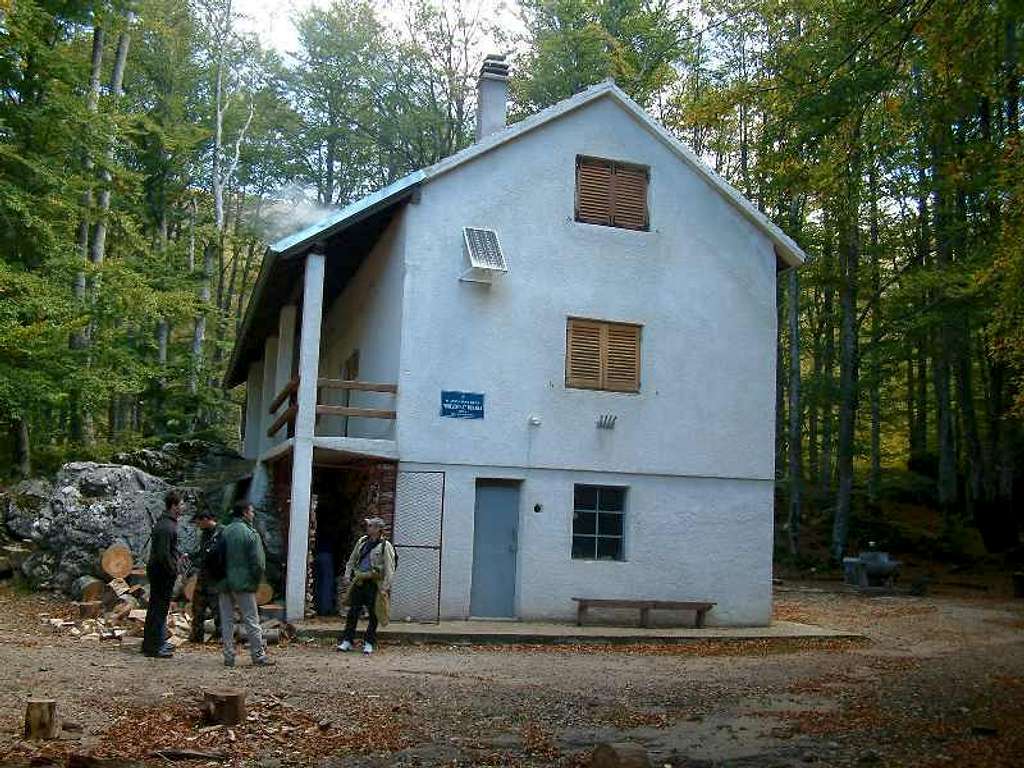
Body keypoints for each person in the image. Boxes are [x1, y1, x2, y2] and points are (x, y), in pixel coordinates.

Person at [218, 500, 274, 667]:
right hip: (244, 584)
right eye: (251, 511)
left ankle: (228, 656)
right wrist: (255, 581)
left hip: (224, 583)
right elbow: (259, 563)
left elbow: (216, 559)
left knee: (226, 620)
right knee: (251, 619)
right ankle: (258, 655)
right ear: (244, 513)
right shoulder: (251, 534)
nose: (253, 514)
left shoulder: (224, 532)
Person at [336, 516, 396, 656]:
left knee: (374, 614)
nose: (368, 528)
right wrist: (347, 574)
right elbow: (352, 559)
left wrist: (385, 587)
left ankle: (369, 642)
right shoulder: (362, 542)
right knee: (353, 612)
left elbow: (389, 567)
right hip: (359, 580)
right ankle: (347, 640)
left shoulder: (385, 546)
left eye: (371, 526)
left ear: (377, 529)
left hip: (374, 583)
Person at [142, 491, 184, 659]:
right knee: (158, 609)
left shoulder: (165, 523)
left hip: (159, 571)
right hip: (162, 573)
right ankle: (154, 647)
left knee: (156, 608)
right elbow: (162, 554)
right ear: (174, 506)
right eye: (181, 504)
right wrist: (173, 569)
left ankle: (154, 642)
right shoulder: (167, 526)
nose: (183, 507)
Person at [188, 509, 222, 644]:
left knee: (218, 609)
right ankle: (197, 635)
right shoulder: (205, 534)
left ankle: (221, 636)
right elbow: (202, 553)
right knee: (197, 608)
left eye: (199, 523)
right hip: (204, 576)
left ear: (206, 520)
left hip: (216, 578)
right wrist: (190, 556)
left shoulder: (221, 533)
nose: (198, 527)